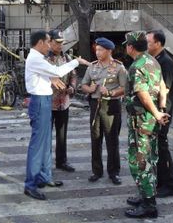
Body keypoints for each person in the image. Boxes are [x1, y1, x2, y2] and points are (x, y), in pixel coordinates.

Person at [24, 30, 90, 201]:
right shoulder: (36, 59)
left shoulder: (38, 59)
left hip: (45, 100)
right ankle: (30, 184)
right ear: (39, 43)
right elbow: (58, 72)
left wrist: (54, 76)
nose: (50, 45)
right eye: (47, 42)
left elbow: (53, 75)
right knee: (38, 145)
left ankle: (44, 177)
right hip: (39, 102)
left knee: (45, 143)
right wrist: (77, 61)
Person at [123, 31, 170, 219]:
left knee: (140, 162)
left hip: (141, 121)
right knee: (151, 158)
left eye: (127, 44)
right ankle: (145, 194)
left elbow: (142, 94)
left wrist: (157, 113)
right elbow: (163, 87)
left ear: (131, 47)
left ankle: (149, 204)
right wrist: (162, 108)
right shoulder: (153, 61)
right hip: (150, 120)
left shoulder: (137, 66)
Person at [81, 37, 126, 185]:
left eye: (101, 50)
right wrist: (90, 89)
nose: (97, 52)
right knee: (96, 139)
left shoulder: (119, 67)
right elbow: (83, 85)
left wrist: (111, 93)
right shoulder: (92, 67)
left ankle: (114, 172)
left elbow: (125, 88)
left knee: (112, 140)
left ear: (109, 51)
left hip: (111, 106)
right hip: (95, 105)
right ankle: (97, 171)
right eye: (97, 49)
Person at [146, 30, 173, 197]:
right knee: (157, 150)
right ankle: (161, 182)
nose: (146, 45)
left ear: (158, 43)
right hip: (157, 113)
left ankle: (171, 185)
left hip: (162, 114)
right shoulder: (155, 60)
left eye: (149, 42)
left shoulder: (165, 62)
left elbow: (163, 89)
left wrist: (159, 113)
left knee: (162, 148)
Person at [47, 29, 77, 173]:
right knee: (45, 136)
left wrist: (72, 87)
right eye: (57, 42)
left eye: (61, 43)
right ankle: (45, 164)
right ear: (50, 42)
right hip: (47, 103)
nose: (60, 45)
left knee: (62, 135)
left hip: (63, 103)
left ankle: (61, 161)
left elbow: (73, 76)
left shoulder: (67, 59)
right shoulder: (44, 59)